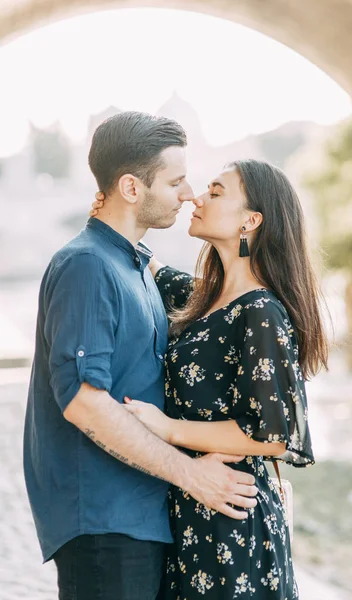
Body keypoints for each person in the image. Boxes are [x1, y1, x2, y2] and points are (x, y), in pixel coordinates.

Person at [23, 112, 258, 600]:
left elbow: (218, 305)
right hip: (105, 524)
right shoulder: (88, 265)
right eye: (175, 181)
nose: (189, 193)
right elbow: (84, 402)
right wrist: (192, 475)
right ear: (132, 187)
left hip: (138, 517)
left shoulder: (135, 264)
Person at [93, 159, 328, 598]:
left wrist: (166, 428)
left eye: (216, 192)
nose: (198, 198)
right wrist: (112, 211)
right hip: (190, 514)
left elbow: (273, 436)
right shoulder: (204, 299)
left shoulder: (260, 311)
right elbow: (150, 267)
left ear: (251, 220)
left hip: (233, 523)